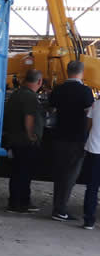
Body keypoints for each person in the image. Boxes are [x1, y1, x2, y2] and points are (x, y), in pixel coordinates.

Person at [47, 59, 92, 221]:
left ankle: (57, 207)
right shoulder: (85, 92)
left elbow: (51, 111)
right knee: (70, 175)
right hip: (77, 139)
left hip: (59, 137)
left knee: (59, 173)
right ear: (82, 72)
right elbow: (89, 115)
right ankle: (60, 210)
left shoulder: (58, 89)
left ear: (67, 71)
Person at [3, 69, 44, 213]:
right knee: (24, 173)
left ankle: (16, 202)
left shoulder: (17, 94)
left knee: (17, 172)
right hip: (24, 142)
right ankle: (20, 203)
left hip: (13, 139)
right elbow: (29, 117)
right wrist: (31, 135)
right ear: (39, 81)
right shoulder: (30, 97)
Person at [83, 103, 100, 231]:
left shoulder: (97, 104)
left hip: (94, 148)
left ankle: (89, 220)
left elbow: (88, 125)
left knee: (92, 186)